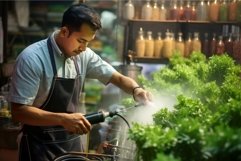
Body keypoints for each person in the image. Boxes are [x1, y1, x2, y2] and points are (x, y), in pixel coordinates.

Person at [8, 3, 152, 161]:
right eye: (81, 41)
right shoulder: (32, 59)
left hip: (72, 146)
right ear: (64, 31)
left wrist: (136, 90)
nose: (84, 48)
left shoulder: (84, 55)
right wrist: (63, 119)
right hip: (38, 146)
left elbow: (117, 77)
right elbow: (19, 112)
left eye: (88, 42)